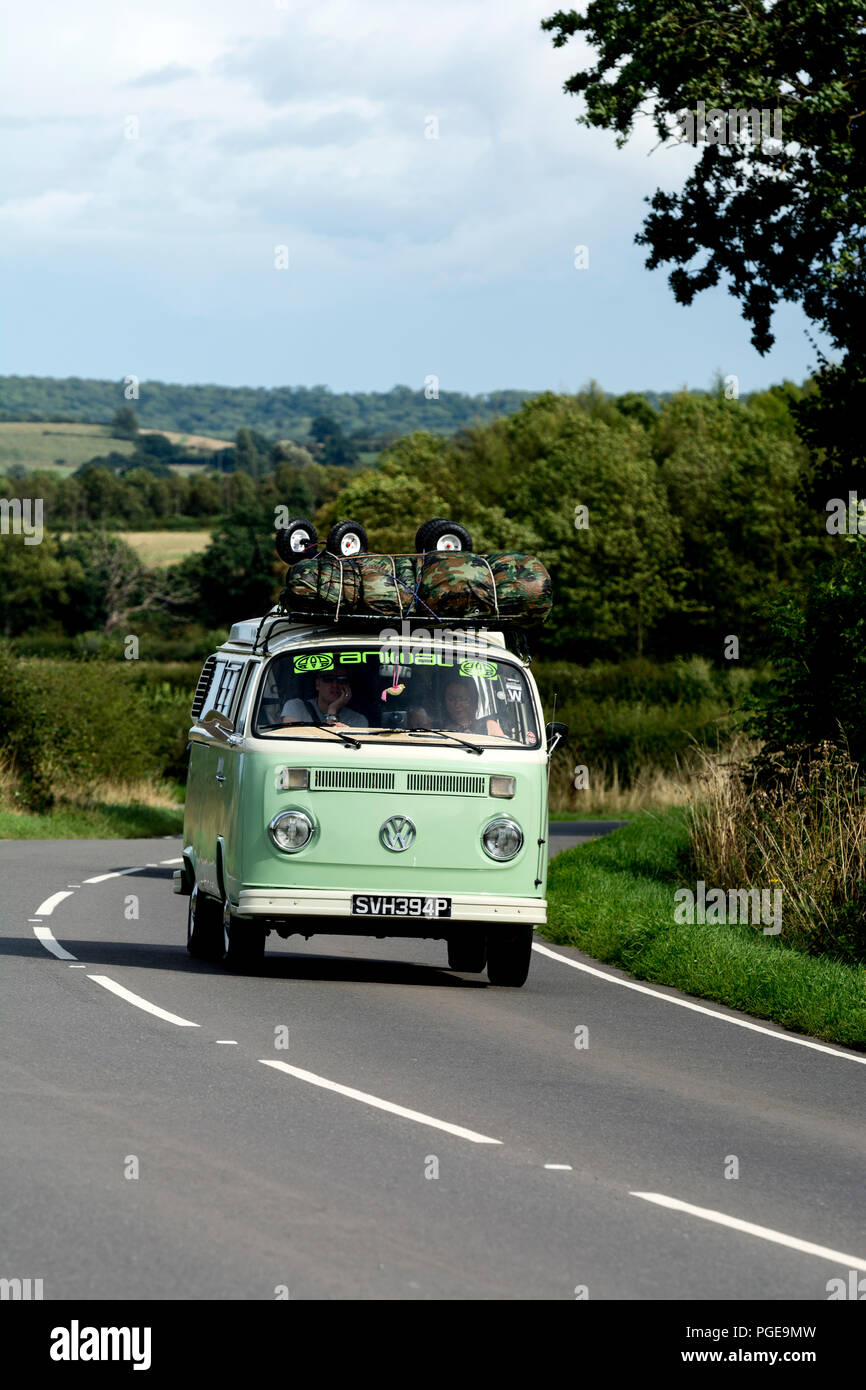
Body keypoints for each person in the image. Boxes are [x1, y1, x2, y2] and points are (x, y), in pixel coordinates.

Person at [281, 674, 368, 730]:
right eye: (328, 679)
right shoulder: (295, 707)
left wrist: (332, 710)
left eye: (342, 680)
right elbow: (292, 741)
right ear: (317, 684)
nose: (335, 685)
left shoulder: (358, 720)